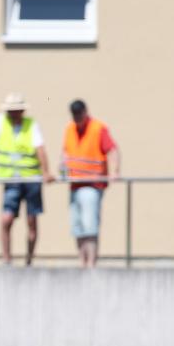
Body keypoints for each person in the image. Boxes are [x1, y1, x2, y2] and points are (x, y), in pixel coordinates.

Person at [0, 93, 54, 266]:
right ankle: (6, 259)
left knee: (32, 221)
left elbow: (40, 149)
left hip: (31, 179)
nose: (14, 114)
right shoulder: (0, 122)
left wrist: (46, 172)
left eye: (17, 110)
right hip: (11, 180)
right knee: (6, 219)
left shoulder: (31, 124)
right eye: (11, 111)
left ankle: (29, 260)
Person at [61, 100, 121, 268]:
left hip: (92, 185)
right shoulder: (70, 129)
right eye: (74, 114)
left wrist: (115, 171)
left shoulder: (97, 128)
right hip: (74, 184)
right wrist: (62, 167)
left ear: (85, 112)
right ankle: (82, 263)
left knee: (90, 225)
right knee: (77, 226)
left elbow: (113, 150)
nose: (77, 116)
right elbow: (65, 152)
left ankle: (91, 264)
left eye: (79, 113)